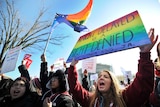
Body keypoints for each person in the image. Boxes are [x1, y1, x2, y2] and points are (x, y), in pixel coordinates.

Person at [67, 28, 158, 107]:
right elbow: (75, 89)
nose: (101, 78)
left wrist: (145, 54)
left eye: (105, 76)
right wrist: (72, 66)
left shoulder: (124, 98)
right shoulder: (91, 100)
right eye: (99, 77)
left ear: (113, 82)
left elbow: (142, 85)